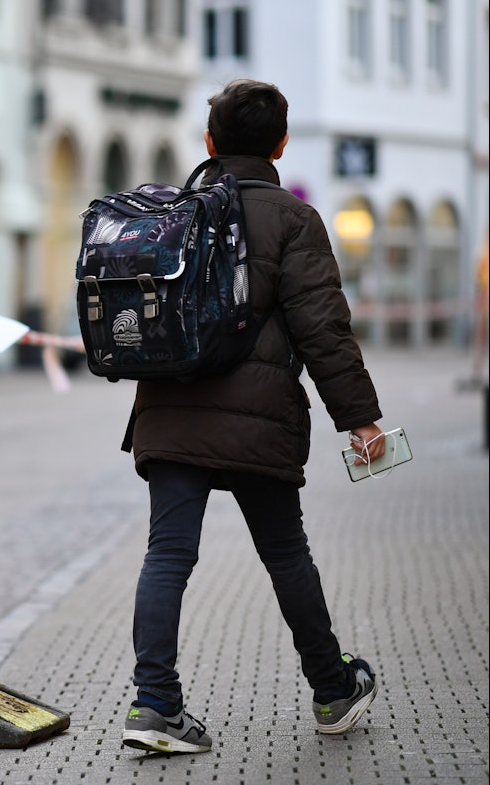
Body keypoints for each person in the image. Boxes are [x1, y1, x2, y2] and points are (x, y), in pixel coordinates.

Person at [120, 80, 387, 754]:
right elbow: (322, 327)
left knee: (167, 554)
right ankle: (331, 690)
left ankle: (154, 706)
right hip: (258, 418)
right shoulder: (292, 219)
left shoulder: (173, 208)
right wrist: (358, 418)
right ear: (281, 144)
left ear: (208, 144)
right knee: (284, 554)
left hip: (169, 409)